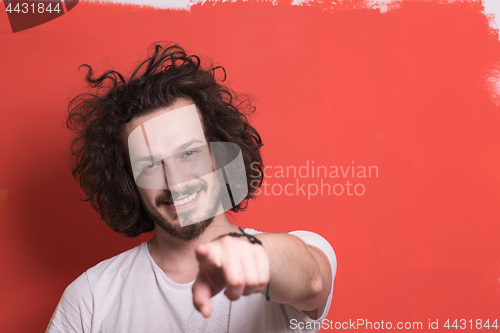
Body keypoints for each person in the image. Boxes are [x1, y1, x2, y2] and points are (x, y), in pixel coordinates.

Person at [46, 43, 337, 333]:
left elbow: (313, 283)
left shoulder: (299, 253)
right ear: (128, 179)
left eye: (189, 153)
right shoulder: (91, 298)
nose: (176, 182)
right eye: (150, 165)